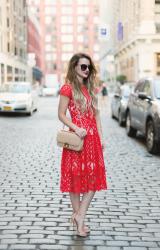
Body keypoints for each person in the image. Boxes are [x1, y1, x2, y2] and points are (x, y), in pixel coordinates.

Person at [58, 53, 107, 237]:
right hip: (77, 140)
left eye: (88, 67)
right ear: (74, 67)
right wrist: (76, 128)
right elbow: (61, 114)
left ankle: (79, 215)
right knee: (75, 182)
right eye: (83, 67)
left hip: (92, 141)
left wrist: (101, 138)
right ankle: (80, 224)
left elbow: (96, 116)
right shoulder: (67, 89)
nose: (86, 70)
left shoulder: (90, 89)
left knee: (93, 181)